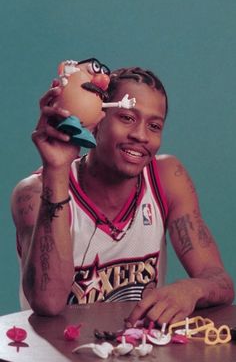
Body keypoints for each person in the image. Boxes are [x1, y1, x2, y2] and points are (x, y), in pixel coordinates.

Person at [11, 65, 234, 324]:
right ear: (97, 120)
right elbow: (47, 303)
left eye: (154, 125)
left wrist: (191, 289)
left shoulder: (167, 178)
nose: (140, 135)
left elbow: (220, 281)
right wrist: (57, 171)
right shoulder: (34, 192)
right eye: (127, 118)